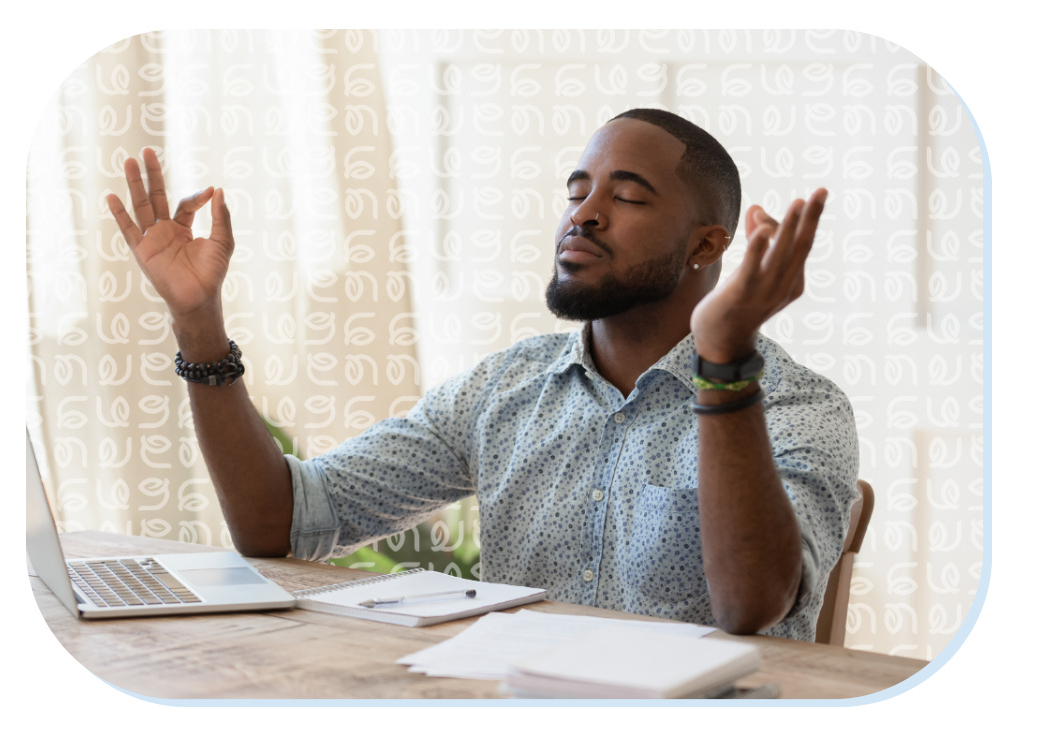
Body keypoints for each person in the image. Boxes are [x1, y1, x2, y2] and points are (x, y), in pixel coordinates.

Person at [106, 108, 858, 640]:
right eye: (576, 191)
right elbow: (280, 522)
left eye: (625, 196)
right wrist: (199, 324)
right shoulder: (505, 389)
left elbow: (751, 607)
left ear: (707, 244)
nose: (584, 214)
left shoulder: (801, 406)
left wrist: (723, 360)